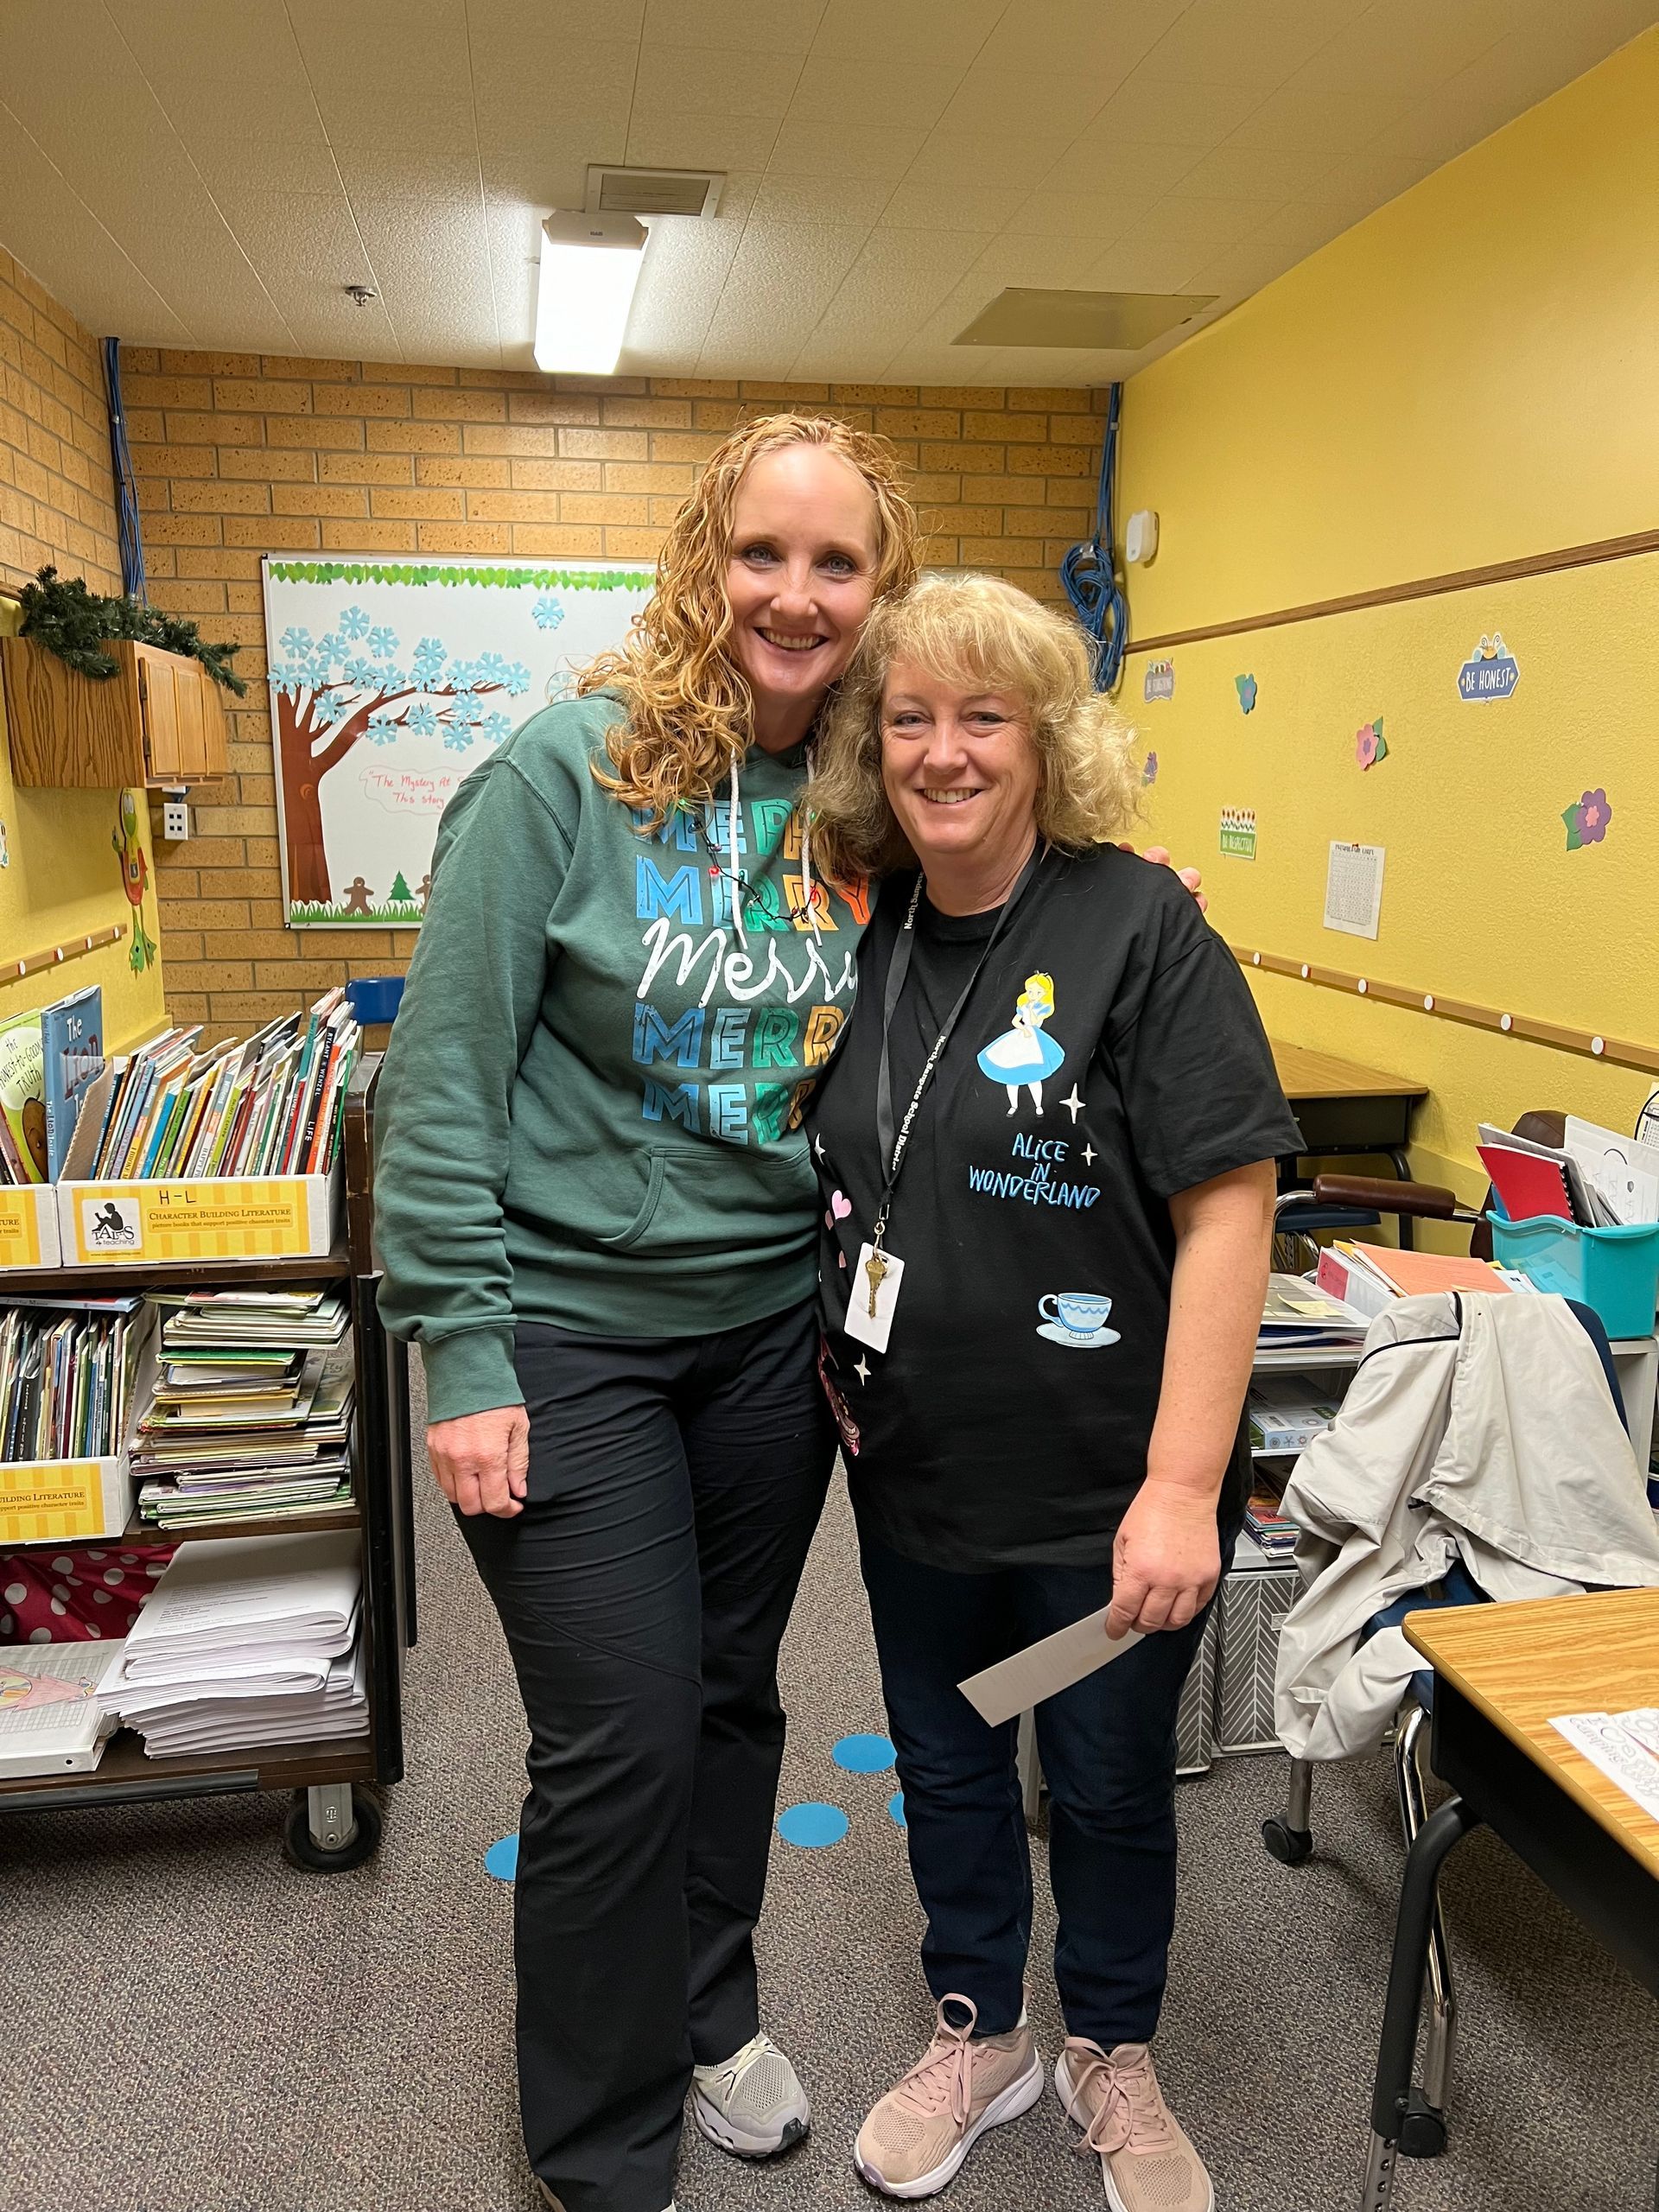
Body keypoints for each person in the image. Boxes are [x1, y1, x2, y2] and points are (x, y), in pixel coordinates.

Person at [375, 412, 1205, 2212]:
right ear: (704, 564)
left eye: (840, 565)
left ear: (878, 592)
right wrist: (460, 1338)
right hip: (571, 1329)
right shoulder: (563, 775)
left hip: (775, 1334)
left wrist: (1143, 906)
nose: (798, 594)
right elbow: (438, 1081)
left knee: (736, 1695)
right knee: (620, 1730)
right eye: (765, 553)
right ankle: (601, 2149)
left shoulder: (862, 810)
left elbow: (1011, 903)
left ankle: (706, 2005)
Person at [804, 574, 1301, 2210]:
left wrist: (1182, 1482)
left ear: (1045, 740)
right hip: (918, 1469)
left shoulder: (1135, 926)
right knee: (946, 1759)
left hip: (1106, 1487)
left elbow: (1229, 1207)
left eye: (984, 718)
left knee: (1096, 1779)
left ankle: (1111, 2052)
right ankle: (982, 2031)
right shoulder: (859, 925)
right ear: (875, 749)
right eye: (909, 720)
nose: (944, 754)